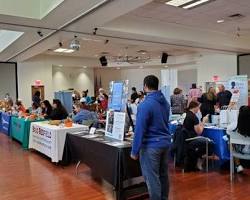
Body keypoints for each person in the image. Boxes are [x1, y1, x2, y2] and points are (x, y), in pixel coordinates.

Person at [131, 75, 171, 200]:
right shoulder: (165, 102)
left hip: (151, 146)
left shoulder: (145, 105)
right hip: (165, 143)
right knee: (163, 175)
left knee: (152, 178)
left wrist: (134, 151)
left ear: (145, 87)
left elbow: (140, 130)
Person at [183, 101, 214, 171]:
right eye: (198, 108)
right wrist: (203, 122)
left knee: (205, 141)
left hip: (187, 138)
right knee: (210, 143)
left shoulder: (188, 115)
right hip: (192, 138)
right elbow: (199, 132)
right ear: (195, 107)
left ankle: (199, 158)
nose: (199, 110)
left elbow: (195, 127)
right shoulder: (194, 117)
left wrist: (200, 124)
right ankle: (200, 160)